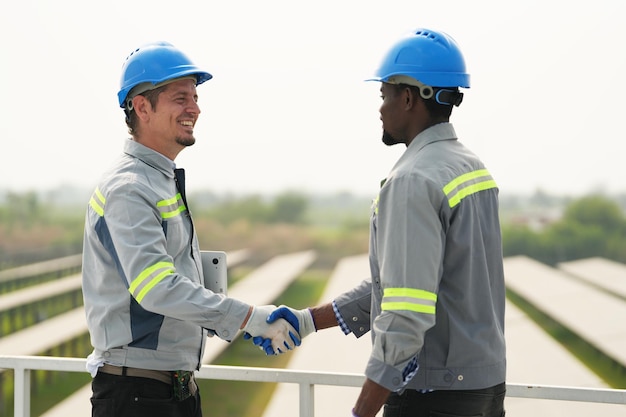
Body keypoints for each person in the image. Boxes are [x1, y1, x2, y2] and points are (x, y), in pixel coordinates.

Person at [258, 28, 506, 417]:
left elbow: (406, 310)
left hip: (434, 400)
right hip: (485, 393)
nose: (379, 108)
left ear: (408, 98)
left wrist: (362, 411)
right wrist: (308, 321)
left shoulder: (413, 180)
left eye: (384, 95)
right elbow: (404, 284)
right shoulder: (472, 169)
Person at [81, 41, 298, 417]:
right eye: (180, 98)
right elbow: (157, 287)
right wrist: (248, 317)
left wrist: (237, 321)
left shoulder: (159, 179)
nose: (195, 108)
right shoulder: (129, 188)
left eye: (195, 97)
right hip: (136, 395)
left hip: (171, 389)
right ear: (141, 107)